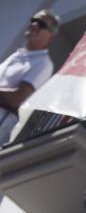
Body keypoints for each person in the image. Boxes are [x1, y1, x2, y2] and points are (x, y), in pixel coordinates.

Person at [0, 11, 59, 146]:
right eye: (33, 20)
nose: (33, 25)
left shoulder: (43, 63)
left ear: (51, 36)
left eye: (41, 24)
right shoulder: (16, 55)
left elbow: (17, 98)